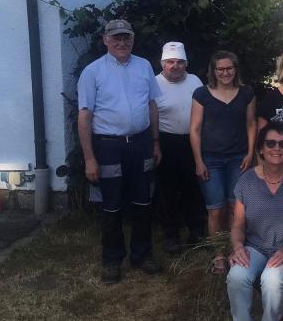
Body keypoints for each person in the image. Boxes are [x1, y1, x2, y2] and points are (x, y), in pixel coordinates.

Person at [77, 19, 163, 284]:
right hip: (108, 147)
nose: (121, 42)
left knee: (143, 202)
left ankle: (142, 254)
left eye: (126, 37)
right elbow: (84, 116)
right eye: (116, 38)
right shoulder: (92, 72)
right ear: (105, 40)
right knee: (111, 205)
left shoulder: (144, 66)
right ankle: (112, 260)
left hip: (140, 143)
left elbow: (151, 106)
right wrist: (90, 157)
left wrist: (156, 141)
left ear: (133, 39)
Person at [226, 121, 283, 321]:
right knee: (237, 277)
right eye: (270, 143)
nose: (277, 148)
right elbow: (238, 224)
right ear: (261, 150)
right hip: (255, 247)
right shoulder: (246, 181)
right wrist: (238, 246)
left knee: (272, 279)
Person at [190, 50, 256, 274]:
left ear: (235, 69)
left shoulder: (246, 93)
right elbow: (195, 129)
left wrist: (251, 153)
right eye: (220, 69)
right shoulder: (202, 94)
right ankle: (218, 254)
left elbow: (251, 125)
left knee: (235, 208)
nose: (225, 72)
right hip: (211, 159)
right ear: (213, 71)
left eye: (229, 68)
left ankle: (234, 251)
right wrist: (199, 160)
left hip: (239, 158)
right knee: (215, 210)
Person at [154, 42, 206, 254]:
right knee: (168, 191)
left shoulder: (195, 81)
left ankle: (196, 232)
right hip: (166, 141)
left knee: (193, 188)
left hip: (192, 142)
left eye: (179, 62)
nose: (175, 66)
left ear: (186, 63)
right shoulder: (154, 83)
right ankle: (171, 235)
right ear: (162, 64)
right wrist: (154, 142)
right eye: (170, 62)